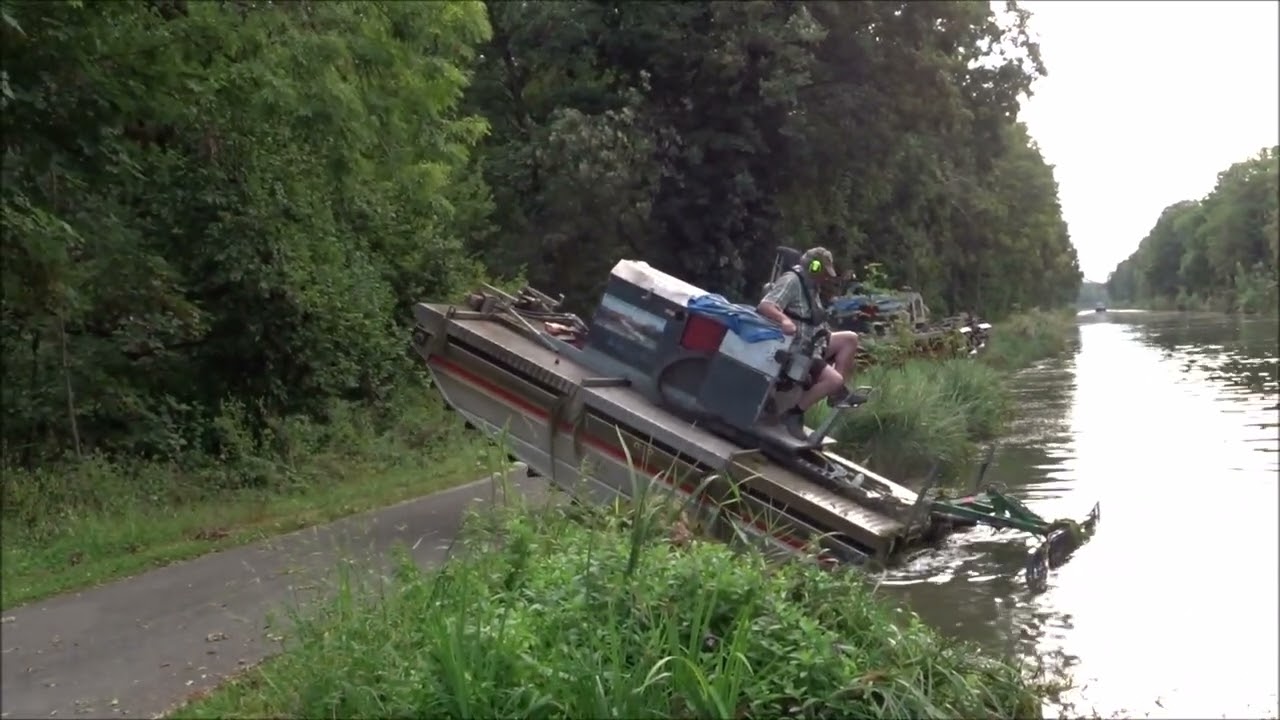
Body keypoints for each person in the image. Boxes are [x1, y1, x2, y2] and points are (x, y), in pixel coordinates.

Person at [756, 247, 861, 440]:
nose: (826, 278)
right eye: (824, 272)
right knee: (834, 380)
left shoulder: (812, 286)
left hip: (814, 341)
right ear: (814, 267)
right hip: (798, 347)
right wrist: (784, 320)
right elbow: (766, 305)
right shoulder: (792, 281)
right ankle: (794, 414)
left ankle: (836, 394)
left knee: (850, 339)